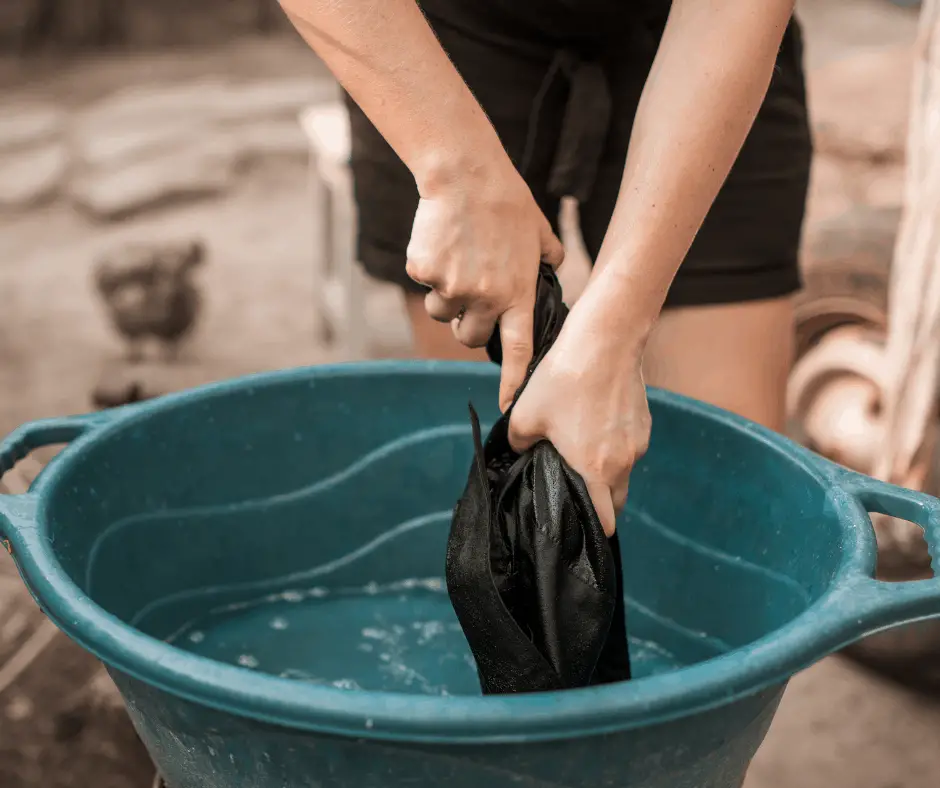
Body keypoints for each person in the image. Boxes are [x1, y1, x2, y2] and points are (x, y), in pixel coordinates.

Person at [279, 0, 811, 536]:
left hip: (708, 26)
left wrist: (614, 333)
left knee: (730, 499)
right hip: (434, 40)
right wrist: (459, 172)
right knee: (482, 489)